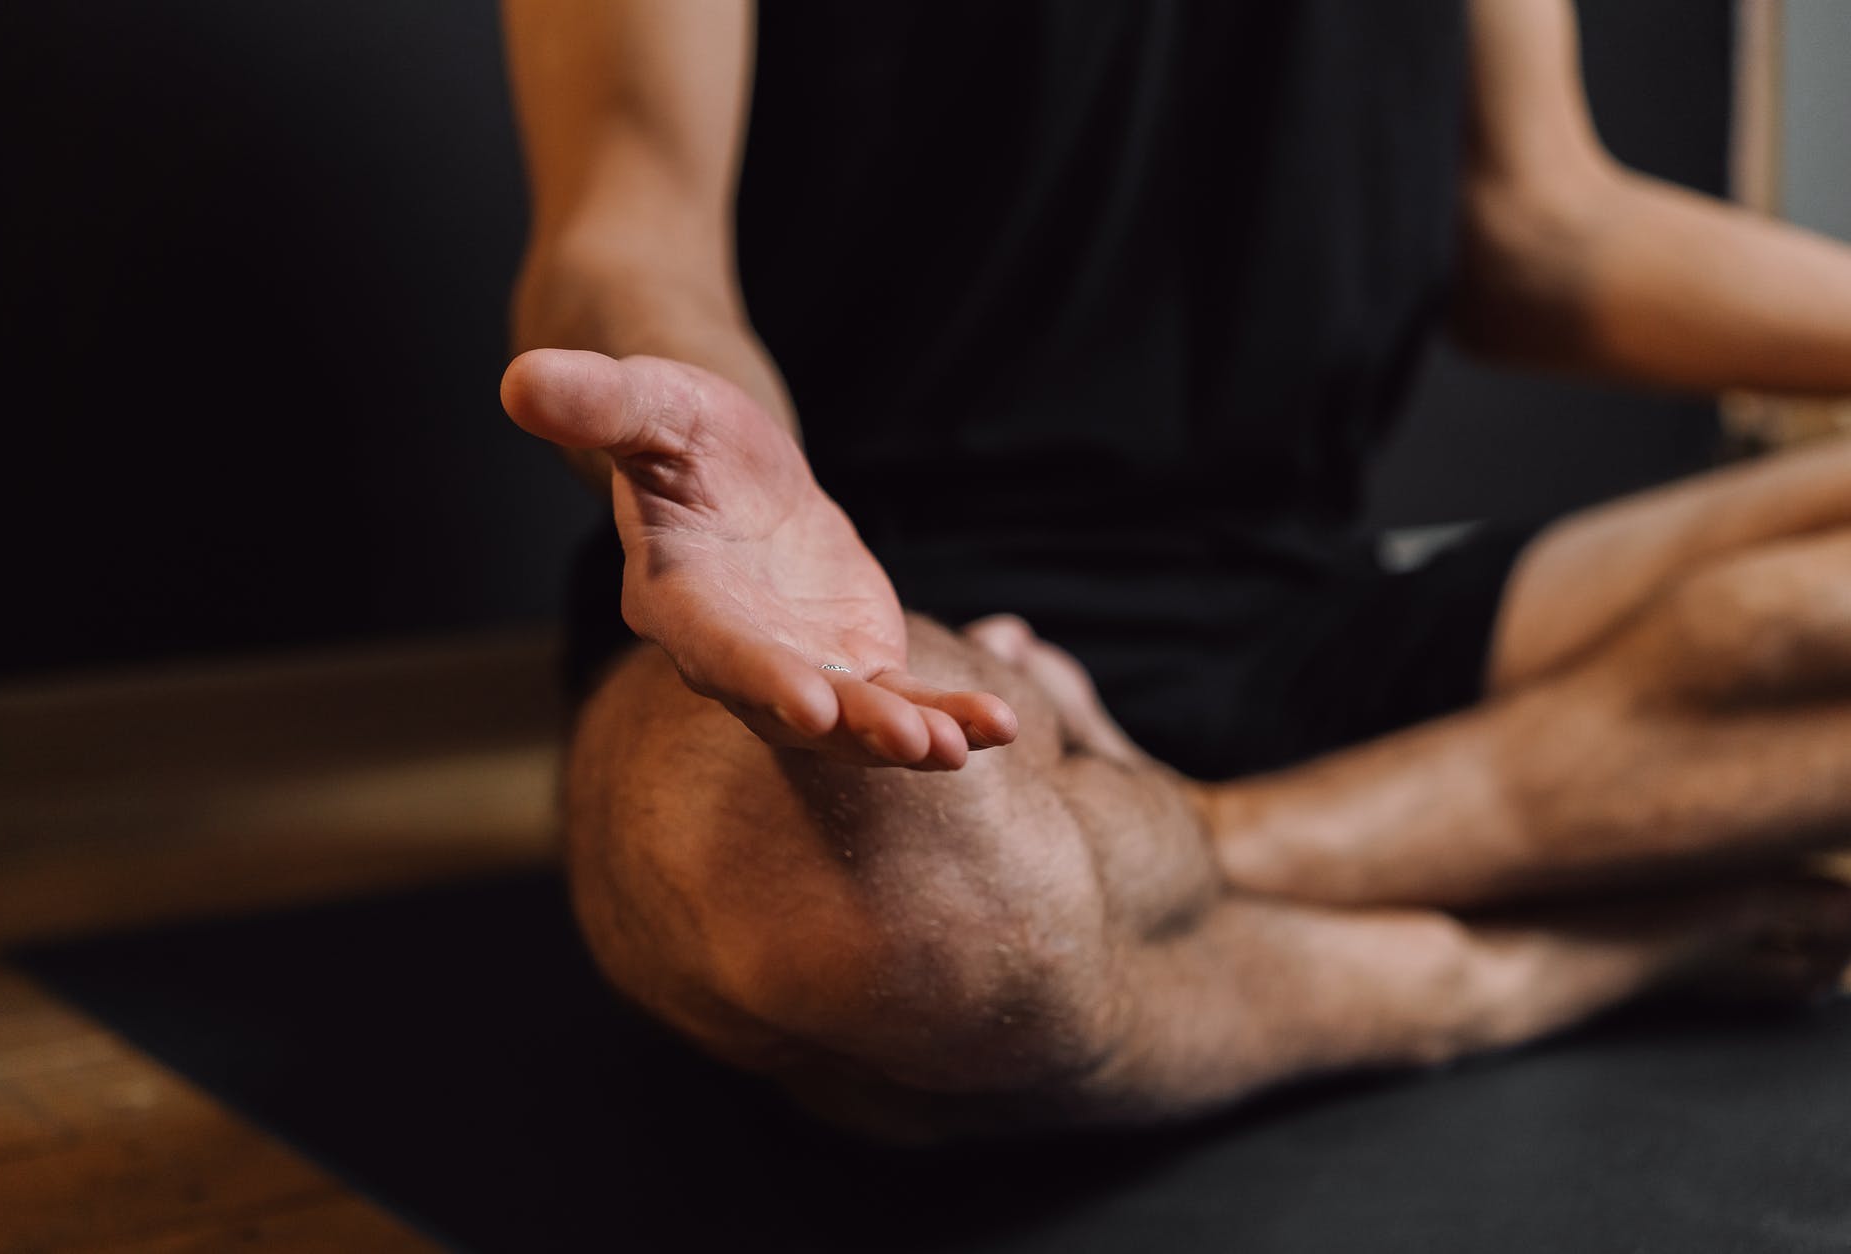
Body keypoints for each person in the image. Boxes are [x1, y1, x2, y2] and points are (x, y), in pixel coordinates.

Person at [498, 0, 1851, 1139]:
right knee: (913, 930)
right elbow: (627, 238)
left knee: (1011, 952)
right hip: (872, 604)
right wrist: (737, 465)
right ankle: (1495, 964)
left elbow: (1540, 231)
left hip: (1307, 600)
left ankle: (1204, 842)